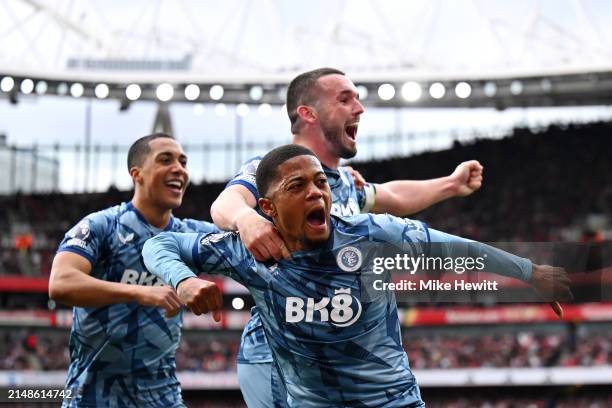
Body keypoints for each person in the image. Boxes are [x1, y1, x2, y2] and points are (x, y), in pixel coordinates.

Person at [143, 144, 572, 408]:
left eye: (320, 184)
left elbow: (453, 247)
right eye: (298, 187)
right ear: (268, 209)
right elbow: (158, 245)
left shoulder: (371, 234)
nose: (316, 192)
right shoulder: (250, 251)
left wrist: (529, 271)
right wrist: (184, 281)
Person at [210, 67, 484, 406]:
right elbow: (225, 203)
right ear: (307, 113)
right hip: (280, 359)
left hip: (338, 356)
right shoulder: (274, 172)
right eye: (344, 99)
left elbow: (392, 196)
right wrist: (245, 219)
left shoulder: (342, 184)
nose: (359, 108)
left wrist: (451, 184)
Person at [48, 133, 222, 408]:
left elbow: (251, 249)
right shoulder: (103, 226)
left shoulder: (191, 236)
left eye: (183, 162)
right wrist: (140, 292)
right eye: (165, 160)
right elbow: (60, 283)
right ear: (136, 174)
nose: (179, 169)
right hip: (94, 397)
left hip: (163, 397)